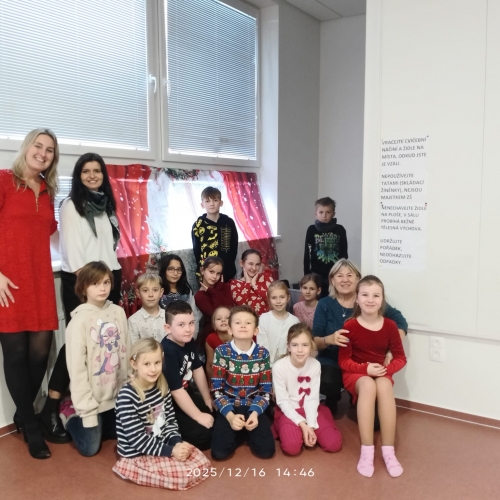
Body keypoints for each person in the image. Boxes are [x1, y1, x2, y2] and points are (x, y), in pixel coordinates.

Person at [39, 152, 122, 444]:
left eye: (97, 170)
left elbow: (109, 247)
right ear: (78, 175)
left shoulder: (106, 204)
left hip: (110, 277)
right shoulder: (71, 205)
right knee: (77, 345)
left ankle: (102, 403)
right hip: (82, 282)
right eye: (86, 171)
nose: (92, 175)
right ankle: (51, 407)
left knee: (106, 343)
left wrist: (110, 281)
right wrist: (91, 290)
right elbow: (73, 252)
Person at [0, 128, 59, 459]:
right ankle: (32, 429)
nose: (43, 153)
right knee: (16, 357)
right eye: (38, 146)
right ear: (27, 147)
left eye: (49, 150)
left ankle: (22, 414)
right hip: (7, 284)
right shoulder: (3, 181)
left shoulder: (49, 191)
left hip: (40, 283)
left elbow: (47, 234)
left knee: (39, 356)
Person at [312, 259, 408, 415]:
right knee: (327, 380)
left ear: (358, 279)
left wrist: (391, 350)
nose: (345, 279)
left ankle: (355, 396)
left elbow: (401, 322)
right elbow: (315, 341)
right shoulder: (324, 304)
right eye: (339, 275)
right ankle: (332, 396)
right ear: (332, 280)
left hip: (362, 363)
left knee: (375, 421)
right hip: (332, 360)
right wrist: (329, 339)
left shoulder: (367, 301)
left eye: (350, 275)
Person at [113, 338, 211, 491]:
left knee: (200, 460)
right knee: (184, 475)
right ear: (134, 364)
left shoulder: (162, 385)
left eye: (157, 363)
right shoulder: (127, 396)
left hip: (161, 444)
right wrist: (171, 451)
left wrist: (176, 442)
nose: (153, 369)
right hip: (138, 454)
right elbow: (137, 440)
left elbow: (170, 421)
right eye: (147, 364)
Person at [338, 275, 406, 478]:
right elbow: (344, 361)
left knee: (384, 385)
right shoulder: (349, 326)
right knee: (368, 385)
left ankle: (388, 451)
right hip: (356, 374)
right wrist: (366, 369)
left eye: (376, 295)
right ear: (357, 299)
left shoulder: (390, 326)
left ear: (382, 299)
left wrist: (386, 369)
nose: (370, 300)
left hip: (381, 372)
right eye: (365, 295)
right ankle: (367, 451)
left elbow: (400, 358)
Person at [65, 261, 131, 457]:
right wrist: (87, 411)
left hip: (117, 396)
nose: (102, 288)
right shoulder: (78, 321)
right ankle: (70, 417)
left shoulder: (118, 312)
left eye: (106, 282)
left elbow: (127, 352)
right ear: (83, 287)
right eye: (95, 283)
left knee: (117, 437)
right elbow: (77, 371)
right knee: (90, 449)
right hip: (92, 401)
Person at [211, 305, 275, 460]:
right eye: (238, 322)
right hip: (230, 405)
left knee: (266, 451)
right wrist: (230, 416)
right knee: (219, 454)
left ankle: (248, 429)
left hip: (253, 405)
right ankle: (239, 432)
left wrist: (255, 413)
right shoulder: (221, 352)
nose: (243, 326)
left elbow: (266, 390)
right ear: (230, 329)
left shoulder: (262, 353)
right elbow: (216, 389)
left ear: (255, 330)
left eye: (248, 323)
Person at [272, 323, 342, 456]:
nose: (300, 350)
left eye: (305, 345)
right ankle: (293, 429)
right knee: (292, 447)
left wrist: (310, 425)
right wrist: (302, 425)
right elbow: (283, 401)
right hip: (289, 411)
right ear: (288, 347)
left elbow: (312, 398)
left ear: (311, 346)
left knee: (333, 444)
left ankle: (305, 430)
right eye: (295, 345)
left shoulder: (315, 365)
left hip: (310, 409)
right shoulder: (279, 367)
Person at [161, 301, 213, 451]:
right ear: (168, 328)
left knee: (214, 414)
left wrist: (207, 399)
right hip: (168, 403)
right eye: (181, 325)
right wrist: (198, 416)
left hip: (186, 393)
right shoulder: (168, 351)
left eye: (191, 323)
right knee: (204, 436)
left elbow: (197, 369)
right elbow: (176, 391)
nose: (188, 329)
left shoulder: (188, 340)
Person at [191, 186, 238, 282]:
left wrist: (229, 263)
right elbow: (197, 250)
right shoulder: (198, 225)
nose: (212, 204)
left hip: (227, 270)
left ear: (221, 203)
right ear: (202, 204)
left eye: (215, 200)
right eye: (207, 201)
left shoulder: (228, 222)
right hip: (207, 272)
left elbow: (234, 246)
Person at [303, 197, 348, 298]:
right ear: (316, 214)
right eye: (321, 212)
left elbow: (344, 253)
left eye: (328, 212)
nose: (324, 215)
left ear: (333, 213)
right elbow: (307, 253)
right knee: (318, 300)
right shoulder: (311, 230)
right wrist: (307, 275)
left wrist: (342, 273)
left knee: (334, 298)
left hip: (335, 273)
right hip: (316, 274)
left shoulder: (340, 230)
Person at [257, 281, 299, 366]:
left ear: (288, 298)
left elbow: (295, 345)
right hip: (266, 365)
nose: (278, 301)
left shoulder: (294, 321)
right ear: (269, 299)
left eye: (282, 297)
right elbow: (262, 345)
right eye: (274, 298)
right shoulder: (264, 319)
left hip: (287, 365)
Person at [158, 254, 200, 338]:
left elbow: (195, 316)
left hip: (187, 336)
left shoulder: (186, 291)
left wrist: (192, 337)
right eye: (171, 269)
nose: (175, 273)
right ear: (164, 270)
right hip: (166, 338)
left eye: (179, 270)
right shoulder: (158, 292)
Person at [194, 256, 234, 345]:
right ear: (202, 270)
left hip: (231, 329)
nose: (215, 277)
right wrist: (212, 292)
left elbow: (230, 308)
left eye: (218, 273)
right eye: (211, 272)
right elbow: (216, 314)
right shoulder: (199, 296)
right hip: (213, 333)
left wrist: (217, 288)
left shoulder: (224, 287)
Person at [229, 249, 274, 315]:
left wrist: (254, 285)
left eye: (257, 264)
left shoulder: (266, 278)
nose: (254, 268)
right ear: (241, 263)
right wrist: (248, 283)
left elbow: (273, 300)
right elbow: (241, 306)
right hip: (247, 321)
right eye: (251, 264)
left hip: (268, 319)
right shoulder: (235, 284)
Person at [128, 273, 165, 344]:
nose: (150, 295)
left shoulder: (169, 317)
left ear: (161, 292)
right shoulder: (133, 321)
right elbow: (134, 347)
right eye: (145, 290)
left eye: (155, 290)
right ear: (138, 293)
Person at [205, 306, 232, 381]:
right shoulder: (211, 339)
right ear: (214, 325)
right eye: (219, 319)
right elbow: (210, 365)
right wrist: (211, 384)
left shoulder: (239, 337)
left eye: (227, 318)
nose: (223, 320)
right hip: (219, 378)